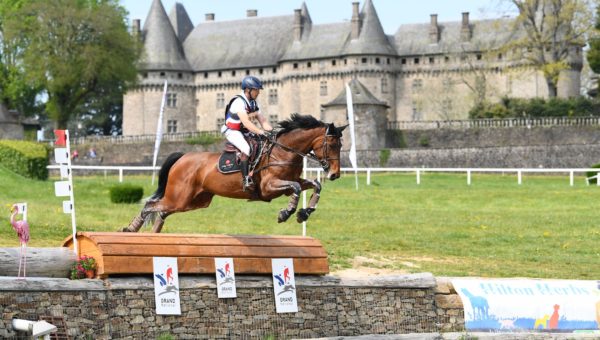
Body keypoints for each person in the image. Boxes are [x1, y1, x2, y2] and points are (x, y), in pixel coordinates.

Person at [221, 75, 273, 191]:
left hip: (244, 131)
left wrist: (272, 132)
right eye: (256, 90)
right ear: (248, 90)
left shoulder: (254, 103)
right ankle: (246, 180)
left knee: (262, 145)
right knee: (246, 148)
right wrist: (261, 132)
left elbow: (263, 121)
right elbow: (246, 122)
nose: (258, 92)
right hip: (232, 131)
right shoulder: (239, 102)